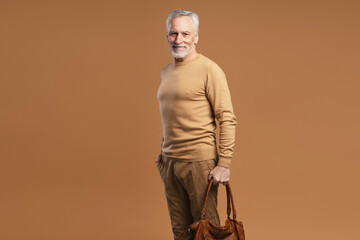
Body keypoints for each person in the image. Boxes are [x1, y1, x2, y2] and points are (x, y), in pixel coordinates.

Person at [155, 9, 237, 240]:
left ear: (196, 37)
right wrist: (163, 150)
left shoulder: (209, 69)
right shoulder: (166, 72)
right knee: (180, 231)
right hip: (170, 162)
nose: (178, 40)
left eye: (185, 33)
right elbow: (173, 113)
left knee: (207, 230)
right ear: (167, 36)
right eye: (173, 33)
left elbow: (227, 117)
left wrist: (225, 163)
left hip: (200, 162)